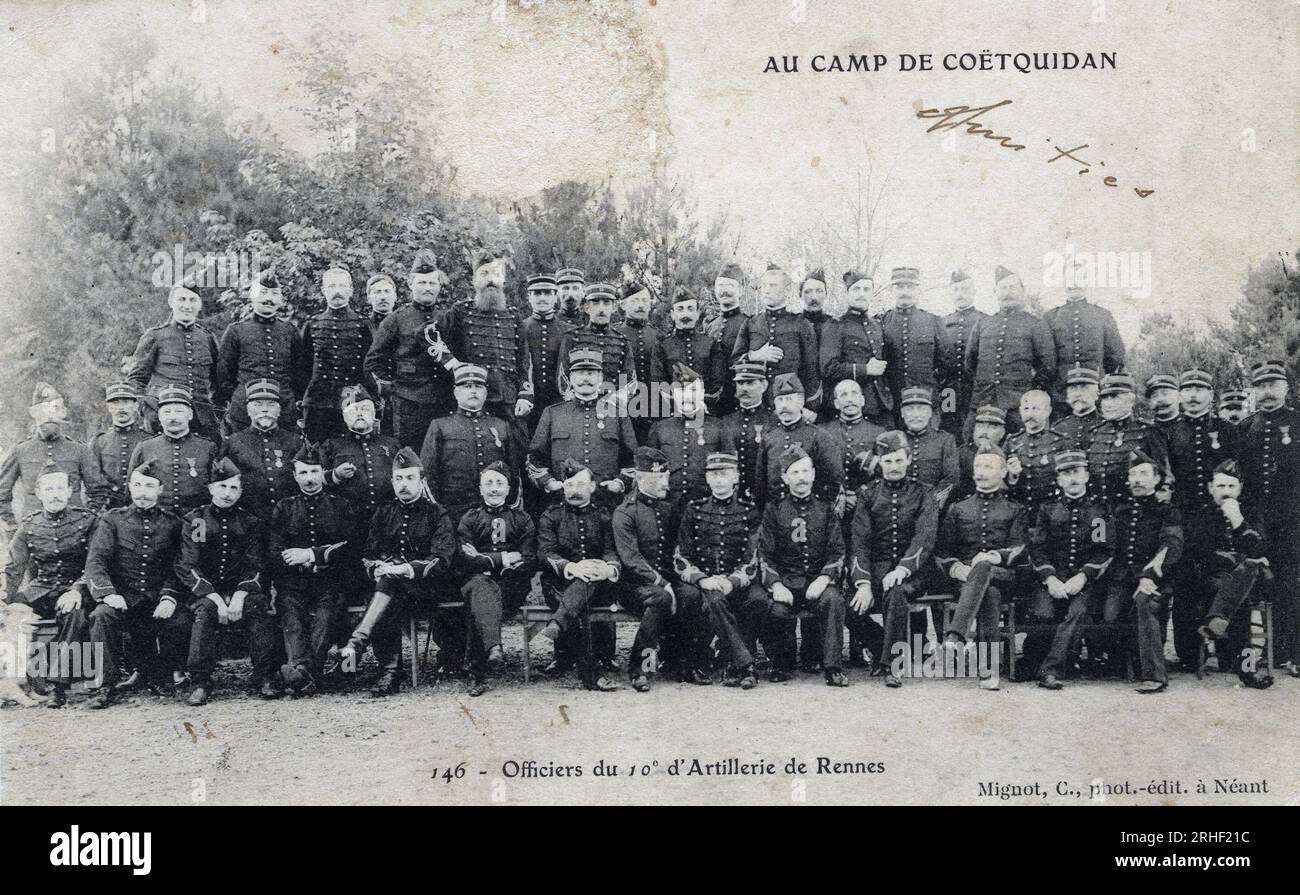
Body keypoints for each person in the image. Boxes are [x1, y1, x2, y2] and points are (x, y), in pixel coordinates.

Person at [339, 447, 457, 696]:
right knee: (388, 584)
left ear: (422, 481)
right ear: (392, 482)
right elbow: (368, 554)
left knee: (388, 585)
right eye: (399, 479)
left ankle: (384, 664)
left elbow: (442, 560)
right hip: (393, 591)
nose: (404, 485)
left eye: (410, 478)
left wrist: (404, 568)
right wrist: (377, 568)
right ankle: (382, 663)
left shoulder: (437, 513)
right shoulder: (384, 512)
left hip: (429, 591)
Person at [80, 460, 188, 709]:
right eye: (137, 485)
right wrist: (108, 594)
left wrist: (169, 596)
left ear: (160, 489)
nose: (142, 492)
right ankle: (105, 685)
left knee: (181, 620)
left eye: (149, 486)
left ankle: (161, 676)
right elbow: (96, 562)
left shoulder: (174, 523)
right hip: (123, 598)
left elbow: (179, 565)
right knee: (101, 616)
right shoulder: (112, 520)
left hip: (156, 598)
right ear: (129, 487)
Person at [176, 458, 278, 705]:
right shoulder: (198, 520)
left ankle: (264, 676)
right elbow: (189, 563)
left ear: (241, 491)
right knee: (206, 611)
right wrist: (214, 597)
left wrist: (241, 595)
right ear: (211, 488)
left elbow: (255, 564)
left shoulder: (249, 522)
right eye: (221, 486)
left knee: (257, 604)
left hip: (240, 588)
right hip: (206, 591)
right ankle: (200, 681)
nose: (227, 493)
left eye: (233, 488)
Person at [846, 431, 940, 686]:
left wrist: (903, 569)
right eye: (888, 461)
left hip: (916, 571)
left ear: (908, 459)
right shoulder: (868, 494)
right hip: (877, 569)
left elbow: (925, 537)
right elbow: (860, 541)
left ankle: (891, 664)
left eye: (899, 460)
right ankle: (879, 646)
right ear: (879, 462)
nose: (894, 467)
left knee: (896, 593)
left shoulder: (924, 493)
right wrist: (863, 584)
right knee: (849, 605)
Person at [752, 446, 848, 686]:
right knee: (775, 609)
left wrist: (824, 578)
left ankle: (833, 667)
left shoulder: (826, 510)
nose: (802, 478)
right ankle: (780, 663)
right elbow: (764, 554)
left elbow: (837, 551)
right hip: (786, 581)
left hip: (817, 580)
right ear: (785, 478)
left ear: (814, 474)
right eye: (794, 472)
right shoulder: (774, 510)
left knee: (832, 600)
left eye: (806, 471)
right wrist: (775, 584)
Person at [2, 467, 97, 708]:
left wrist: (78, 589)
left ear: (69, 491)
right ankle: (17, 683)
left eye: (59, 488)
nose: (54, 494)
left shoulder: (87, 520)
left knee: (73, 613)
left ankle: (59, 686)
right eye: (48, 489)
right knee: (13, 614)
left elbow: (96, 563)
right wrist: (4, 598)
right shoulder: (29, 525)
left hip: (76, 589)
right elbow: (14, 567)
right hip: (41, 589)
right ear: (38, 493)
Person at [936, 444, 1027, 690]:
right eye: (978, 466)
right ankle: (989, 671)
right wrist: (955, 568)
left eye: (988, 466)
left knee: (985, 566)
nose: (982, 472)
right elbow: (943, 551)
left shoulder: (1014, 508)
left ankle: (956, 635)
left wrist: (996, 556)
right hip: (966, 581)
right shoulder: (958, 508)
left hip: (1004, 575)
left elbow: (1021, 547)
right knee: (989, 594)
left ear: (1003, 471)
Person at [612, 447, 704, 691]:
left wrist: (676, 580)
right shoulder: (625, 512)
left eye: (666, 477)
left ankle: (682, 663)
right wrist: (662, 583)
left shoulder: (669, 508)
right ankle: (639, 669)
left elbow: (679, 548)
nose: (665, 483)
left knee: (692, 595)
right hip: (634, 586)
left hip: (668, 580)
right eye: (658, 478)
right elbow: (631, 559)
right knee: (662, 598)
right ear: (641, 478)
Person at [1165, 369, 1239, 668]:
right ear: (1181, 395)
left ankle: (1228, 654)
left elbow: (1237, 475)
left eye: (1200, 389)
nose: (1193, 395)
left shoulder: (1226, 430)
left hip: (1217, 520)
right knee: (1184, 585)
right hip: (1184, 519)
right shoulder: (1171, 431)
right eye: (1188, 389)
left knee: (1221, 581)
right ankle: (1186, 653)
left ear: (1211, 394)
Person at [271, 442, 356, 696]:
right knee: (292, 618)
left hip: (330, 581)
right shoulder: (283, 508)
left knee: (325, 618)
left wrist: (310, 555)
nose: (310, 479)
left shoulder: (341, 506)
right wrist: (292, 563)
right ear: (295, 476)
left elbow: (350, 547)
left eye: (315, 472)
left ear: (323, 473)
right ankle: (306, 674)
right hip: (293, 583)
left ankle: (299, 672)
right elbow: (275, 550)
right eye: (304, 473)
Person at [1024, 450, 1113, 690]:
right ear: (1058, 479)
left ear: (1086, 475)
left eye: (1076, 472)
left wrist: (1084, 576)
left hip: (1084, 582)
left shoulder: (1099, 511)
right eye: (1065, 473)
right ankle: (1033, 662)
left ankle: (1051, 670)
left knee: (1078, 612)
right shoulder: (1048, 509)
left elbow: (1103, 550)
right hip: (1052, 579)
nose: (1072, 478)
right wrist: (1050, 578)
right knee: (1042, 613)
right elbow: (1038, 549)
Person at [672, 452, 762, 689]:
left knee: (757, 599)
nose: (719, 480)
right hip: (704, 582)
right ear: (707, 479)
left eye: (725, 474)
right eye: (714, 474)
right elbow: (680, 557)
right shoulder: (694, 509)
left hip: (736, 581)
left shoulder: (749, 511)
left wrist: (733, 581)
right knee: (713, 599)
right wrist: (702, 579)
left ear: (736, 478)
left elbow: (753, 557)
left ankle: (734, 660)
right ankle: (745, 665)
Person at [531, 459, 622, 692]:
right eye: (569, 485)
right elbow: (545, 553)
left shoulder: (604, 516)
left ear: (592, 486)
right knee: (580, 595)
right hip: (558, 584)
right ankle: (592, 675)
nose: (574, 490)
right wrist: (572, 567)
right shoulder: (551, 516)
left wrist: (608, 568)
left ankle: (558, 623)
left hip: (599, 585)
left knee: (586, 584)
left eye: (580, 484)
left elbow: (612, 550)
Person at [1102, 450, 1184, 694]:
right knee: (1109, 616)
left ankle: (1155, 675)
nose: (1137, 480)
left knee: (1144, 602)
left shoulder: (1167, 511)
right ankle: (1122, 662)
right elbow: (1103, 542)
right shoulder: (1118, 512)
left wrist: (1149, 576)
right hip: (1119, 577)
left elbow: (1171, 545)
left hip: (1153, 578)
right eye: (1133, 475)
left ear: (1156, 479)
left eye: (1144, 474)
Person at [1238, 360, 1300, 676]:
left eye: (1273, 385)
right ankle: (1268, 652)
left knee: (1291, 585)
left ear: (1286, 388)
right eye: (1260, 386)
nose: (1267, 393)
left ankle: (1295, 653)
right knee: (1260, 586)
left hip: (1293, 520)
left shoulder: (1297, 422)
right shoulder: (1246, 427)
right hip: (1257, 521)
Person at [455, 461, 537, 697]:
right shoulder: (469, 519)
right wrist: (504, 558)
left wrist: (486, 561)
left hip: (512, 587)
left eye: (499, 483)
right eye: (488, 483)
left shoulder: (522, 519)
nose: (494, 488)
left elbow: (529, 558)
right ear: (480, 489)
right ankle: (492, 651)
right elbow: (465, 559)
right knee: (480, 588)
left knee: (481, 595)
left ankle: (478, 670)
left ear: (509, 488)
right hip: (476, 583)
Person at [429, 248, 534, 423]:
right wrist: (452, 363)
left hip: (509, 400)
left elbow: (524, 360)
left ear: (503, 280)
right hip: (474, 399)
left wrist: (525, 395)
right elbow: (427, 333)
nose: (491, 279)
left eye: (496, 274)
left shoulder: (514, 316)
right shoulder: (461, 311)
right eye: (484, 274)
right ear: (474, 281)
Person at [364, 250, 456, 449]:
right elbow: (372, 363)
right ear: (410, 284)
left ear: (439, 286)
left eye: (432, 283)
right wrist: (391, 390)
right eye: (422, 283)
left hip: (444, 401)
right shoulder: (395, 319)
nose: (427, 288)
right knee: (409, 455)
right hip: (409, 404)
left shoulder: (447, 318)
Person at [1195, 460, 1274, 688]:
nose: (1226, 492)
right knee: (1242, 597)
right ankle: (1248, 671)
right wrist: (1240, 559)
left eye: (1231, 487)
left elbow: (1262, 547)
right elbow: (1201, 551)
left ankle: (1216, 620)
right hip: (1215, 577)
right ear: (1210, 488)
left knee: (1247, 571)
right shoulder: (1202, 514)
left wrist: (1238, 521)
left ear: (1239, 488)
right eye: (1220, 487)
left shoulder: (1250, 512)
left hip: (1250, 579)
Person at [420, 364, 523, 523]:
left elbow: (514, 472)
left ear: (486, 392)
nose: (473, 391)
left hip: (494, 515)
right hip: (453, 513)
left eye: (478, 387)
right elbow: (428, 474)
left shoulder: (501, 426)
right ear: (456, 392)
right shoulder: (440, 426)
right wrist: (439, 513)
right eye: (467, 387)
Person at [965, 266, 1056, 433]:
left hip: (1017, 405)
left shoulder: (1035, 324)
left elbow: (1047, 365)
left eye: (1012, 287)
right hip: (982, 401)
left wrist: (1027, 392)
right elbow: (970, 363)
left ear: (1022, 291)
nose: (1007, 292)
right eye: (1003, 288)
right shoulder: (983, 323)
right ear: (995, 292)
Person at [126, 285, 222, 440]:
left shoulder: (207, 338)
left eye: (192, 300)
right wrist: (148, 409)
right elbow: (136, 380)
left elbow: (219, 382)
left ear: (199, 305)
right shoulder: (156, 336)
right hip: (162, 418)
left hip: (202, 420)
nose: (187, 305)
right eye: (182, 299)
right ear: (171, 302)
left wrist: (215, 412)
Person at [215, 270, 305, 435]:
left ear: (280, 299)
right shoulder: (236, 331)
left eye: (274, 293)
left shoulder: (290, 331)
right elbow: (224, 374)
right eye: (263, 292)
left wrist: (290, 397)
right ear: (252, 295)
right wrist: (239, 397)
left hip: (283, 407)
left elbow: (300, 372)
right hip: (245, 409)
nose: (268, 298)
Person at [0, 383, 97, 530]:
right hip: (33, 530)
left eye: (55, 408)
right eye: (43, 409)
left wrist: (88, 521)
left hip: (74, 531)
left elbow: (98, 490)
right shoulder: (21, 450)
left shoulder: (79, 450)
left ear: (63, 412)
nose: (49, 415)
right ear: (34, 414)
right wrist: (11, 523)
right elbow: (2, 491)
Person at [731, 263, 821, 415]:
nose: (766, 290)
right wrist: (754, 356)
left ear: (786, 290)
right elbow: (734, 363)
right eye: (764, 285)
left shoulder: (801, 324)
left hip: (790, 406)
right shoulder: (751, 323)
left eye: (773, 285)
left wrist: (810, 407)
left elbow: (812, 370)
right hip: (756, 406)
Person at [300, 266, 374, 443]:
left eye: (342, 286)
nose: (337, 291)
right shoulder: (313, 324)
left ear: (350, 290)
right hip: (318, 402)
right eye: (332, 286)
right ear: (324, 291)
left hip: (353, 400)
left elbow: (370, 364)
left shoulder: (363, 324)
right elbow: (303, 366)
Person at [754, 373, 843, 511]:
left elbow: (834, 480)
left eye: (789, 399)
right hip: (777, 515)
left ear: (801, 402)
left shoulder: (819, 436)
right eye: (780, 400)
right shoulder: (769, 438)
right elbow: (761, 484)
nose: (784, 405)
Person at [217, 379, 304, 520]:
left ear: (279, 410)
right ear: (248, 410)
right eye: (258, 405)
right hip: (249, 518)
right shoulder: (233, 442)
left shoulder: (295, 441)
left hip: (289, 517)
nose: (264, 410)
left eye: (270, 405)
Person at [128, 385, 219, 517]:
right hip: (158, 523)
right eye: (167, 412)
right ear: (159, 416)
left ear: (190, 415)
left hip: (197, 521)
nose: (173, 417)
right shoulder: (145, 447)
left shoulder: (208, 447)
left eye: (179, 411)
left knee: (198, 538)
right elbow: (130, 491)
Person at [319, 384, 403, 525]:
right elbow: (314, 480)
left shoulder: (392, 444)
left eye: (365, 409)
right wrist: (335, 475)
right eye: (353, 410)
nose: (359, 414)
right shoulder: (331, 446)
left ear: (373, 414)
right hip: (347, 519)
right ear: (345, 417)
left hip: (388, 518)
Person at [646, 368, 733, 500]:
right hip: (669, 503)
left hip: (706, 504)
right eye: (681, 391)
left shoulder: (719, 426)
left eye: (693, 390)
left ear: (702, 393)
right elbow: (650, 472)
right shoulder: (660, 428)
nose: (687, 396)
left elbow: (730, 469)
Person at [879, 266, 954, 420]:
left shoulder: (933, 321)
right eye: (899, 286)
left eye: (910, 286)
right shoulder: (881, 322)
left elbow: (947, 364)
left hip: (926, 401)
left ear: (917, 290)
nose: (905, 291)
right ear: (891, 290)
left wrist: (937, 394)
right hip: (893, 403)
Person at [819, 271, 892, 427]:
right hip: (850, 407)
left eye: (866, 289)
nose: (861, 294)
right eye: (856, 289)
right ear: (847, 293)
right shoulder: (836, 325)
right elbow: (828, 368)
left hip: (881, 406)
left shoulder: (878, 325)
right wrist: (865, 369)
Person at [1084, 373, 1170, 505]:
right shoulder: (1094, 433)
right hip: (1099, 512)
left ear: (1131, 400)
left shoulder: (1148, 432)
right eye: (1104, 398)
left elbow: (1164, 477)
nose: (1107, 404)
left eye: (1114, 397)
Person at [1042, 284, 1125, 413]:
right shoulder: (1050, 317)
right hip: (1062, 391)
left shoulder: (1102, 314)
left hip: (1095, 387)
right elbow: (1045, 357)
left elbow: (1115, 355)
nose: (1074, 284)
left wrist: (1102, 380)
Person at [555, 283, 638, 405]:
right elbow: (562, 376)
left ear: (614, 307)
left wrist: (615, 401)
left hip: (612, 407)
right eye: (595, 303)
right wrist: (576, 400)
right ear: (587, 307)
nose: (601, 309)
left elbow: (630, 381)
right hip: (579, 406)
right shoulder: (572, 337)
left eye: (606, 303)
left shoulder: (622, 341)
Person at [656, 287, 726, 412]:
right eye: (680, 309)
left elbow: (718, 380)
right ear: (672, 314)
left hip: (706, 411)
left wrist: (700, 404)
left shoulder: (711, 344)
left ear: (698, 313)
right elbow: (659, 382)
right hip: (673, 413)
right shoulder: (662, 346)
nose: (685, 314)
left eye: (690, 309)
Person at [520, 273, 574, 433]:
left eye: (547, 293)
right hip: (529, 403)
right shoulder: (521, 328)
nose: (542, 298)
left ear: (556, 296)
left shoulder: (568, 331)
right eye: (537, 293)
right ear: (529, 297)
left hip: (559, 402)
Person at [1004, 390, 1070, 520]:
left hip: (1050, 512)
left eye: (1036, 409)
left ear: (1048, 411)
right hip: (1019, 511)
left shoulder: (1060, 442)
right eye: (1026, 409)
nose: (1030, 414)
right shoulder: (1012, 442)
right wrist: (1012, 476)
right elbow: (1001, 480)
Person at [939, 269, 988, 440]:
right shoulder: (942, 323)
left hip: (975, 390)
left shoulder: (985, 321)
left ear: (974, 292)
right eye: (956, 289)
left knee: (974, 427)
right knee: (948, 426)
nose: (960, 294)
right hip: (948, 391)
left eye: (965, 289)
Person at [89, 382, 151, 511]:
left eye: (126, 402)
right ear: (108, 407)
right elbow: (93, 481)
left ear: (135, 406)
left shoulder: (148, 440)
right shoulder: (99, 441)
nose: (121, 408)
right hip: (109, 509)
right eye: (115, 403)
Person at [721, 361, 776, 503]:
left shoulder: (774, 421)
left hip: (765, 497)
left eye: (750, 383)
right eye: (740, 383)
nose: (744, 388)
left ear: (764, 386)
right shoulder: (727, 421)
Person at [616, 280, 663, 443]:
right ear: (622, 305)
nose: (640, 305)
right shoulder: (615, 335)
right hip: (625, 409)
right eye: (634, 301)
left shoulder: (659, 336)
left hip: (655, 408)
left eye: (644, 300)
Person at [898, 386, 959, 507]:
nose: (916, 415)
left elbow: (951, 479)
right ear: (902, 413)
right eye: (910, 409)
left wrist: (930, 503)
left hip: (932, 507)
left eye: (921, 409)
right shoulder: (896, 439)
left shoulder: (945, 440)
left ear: (930, 413)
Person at [705, 263, 749, 416]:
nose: (724, 290)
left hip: (739, 402)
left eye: (730, 285)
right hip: (712, 405)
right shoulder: (710, 327)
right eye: (720, 285)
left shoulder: (749, 324)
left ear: (741, 291)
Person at [957, 405, 1008, 499]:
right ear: (974, 430)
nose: (984, 432)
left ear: (1002, 433)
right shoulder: (961, 454)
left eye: (991, 427)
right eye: (980, 426)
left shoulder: (1007, 454)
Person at [1055, 365, 1103, 450]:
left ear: (1097, 394)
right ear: (1067, 395)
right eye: (1073, 389)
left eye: (1084, 388)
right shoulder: (1059, 428)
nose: (1078, 394)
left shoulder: (1106, 424)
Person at [798, 268, 832, 343]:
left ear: (826, 294)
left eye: (819, 291)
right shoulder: (793, 324)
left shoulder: (835, 325)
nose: (814, 297)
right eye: (808, 292)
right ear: (800, 295)